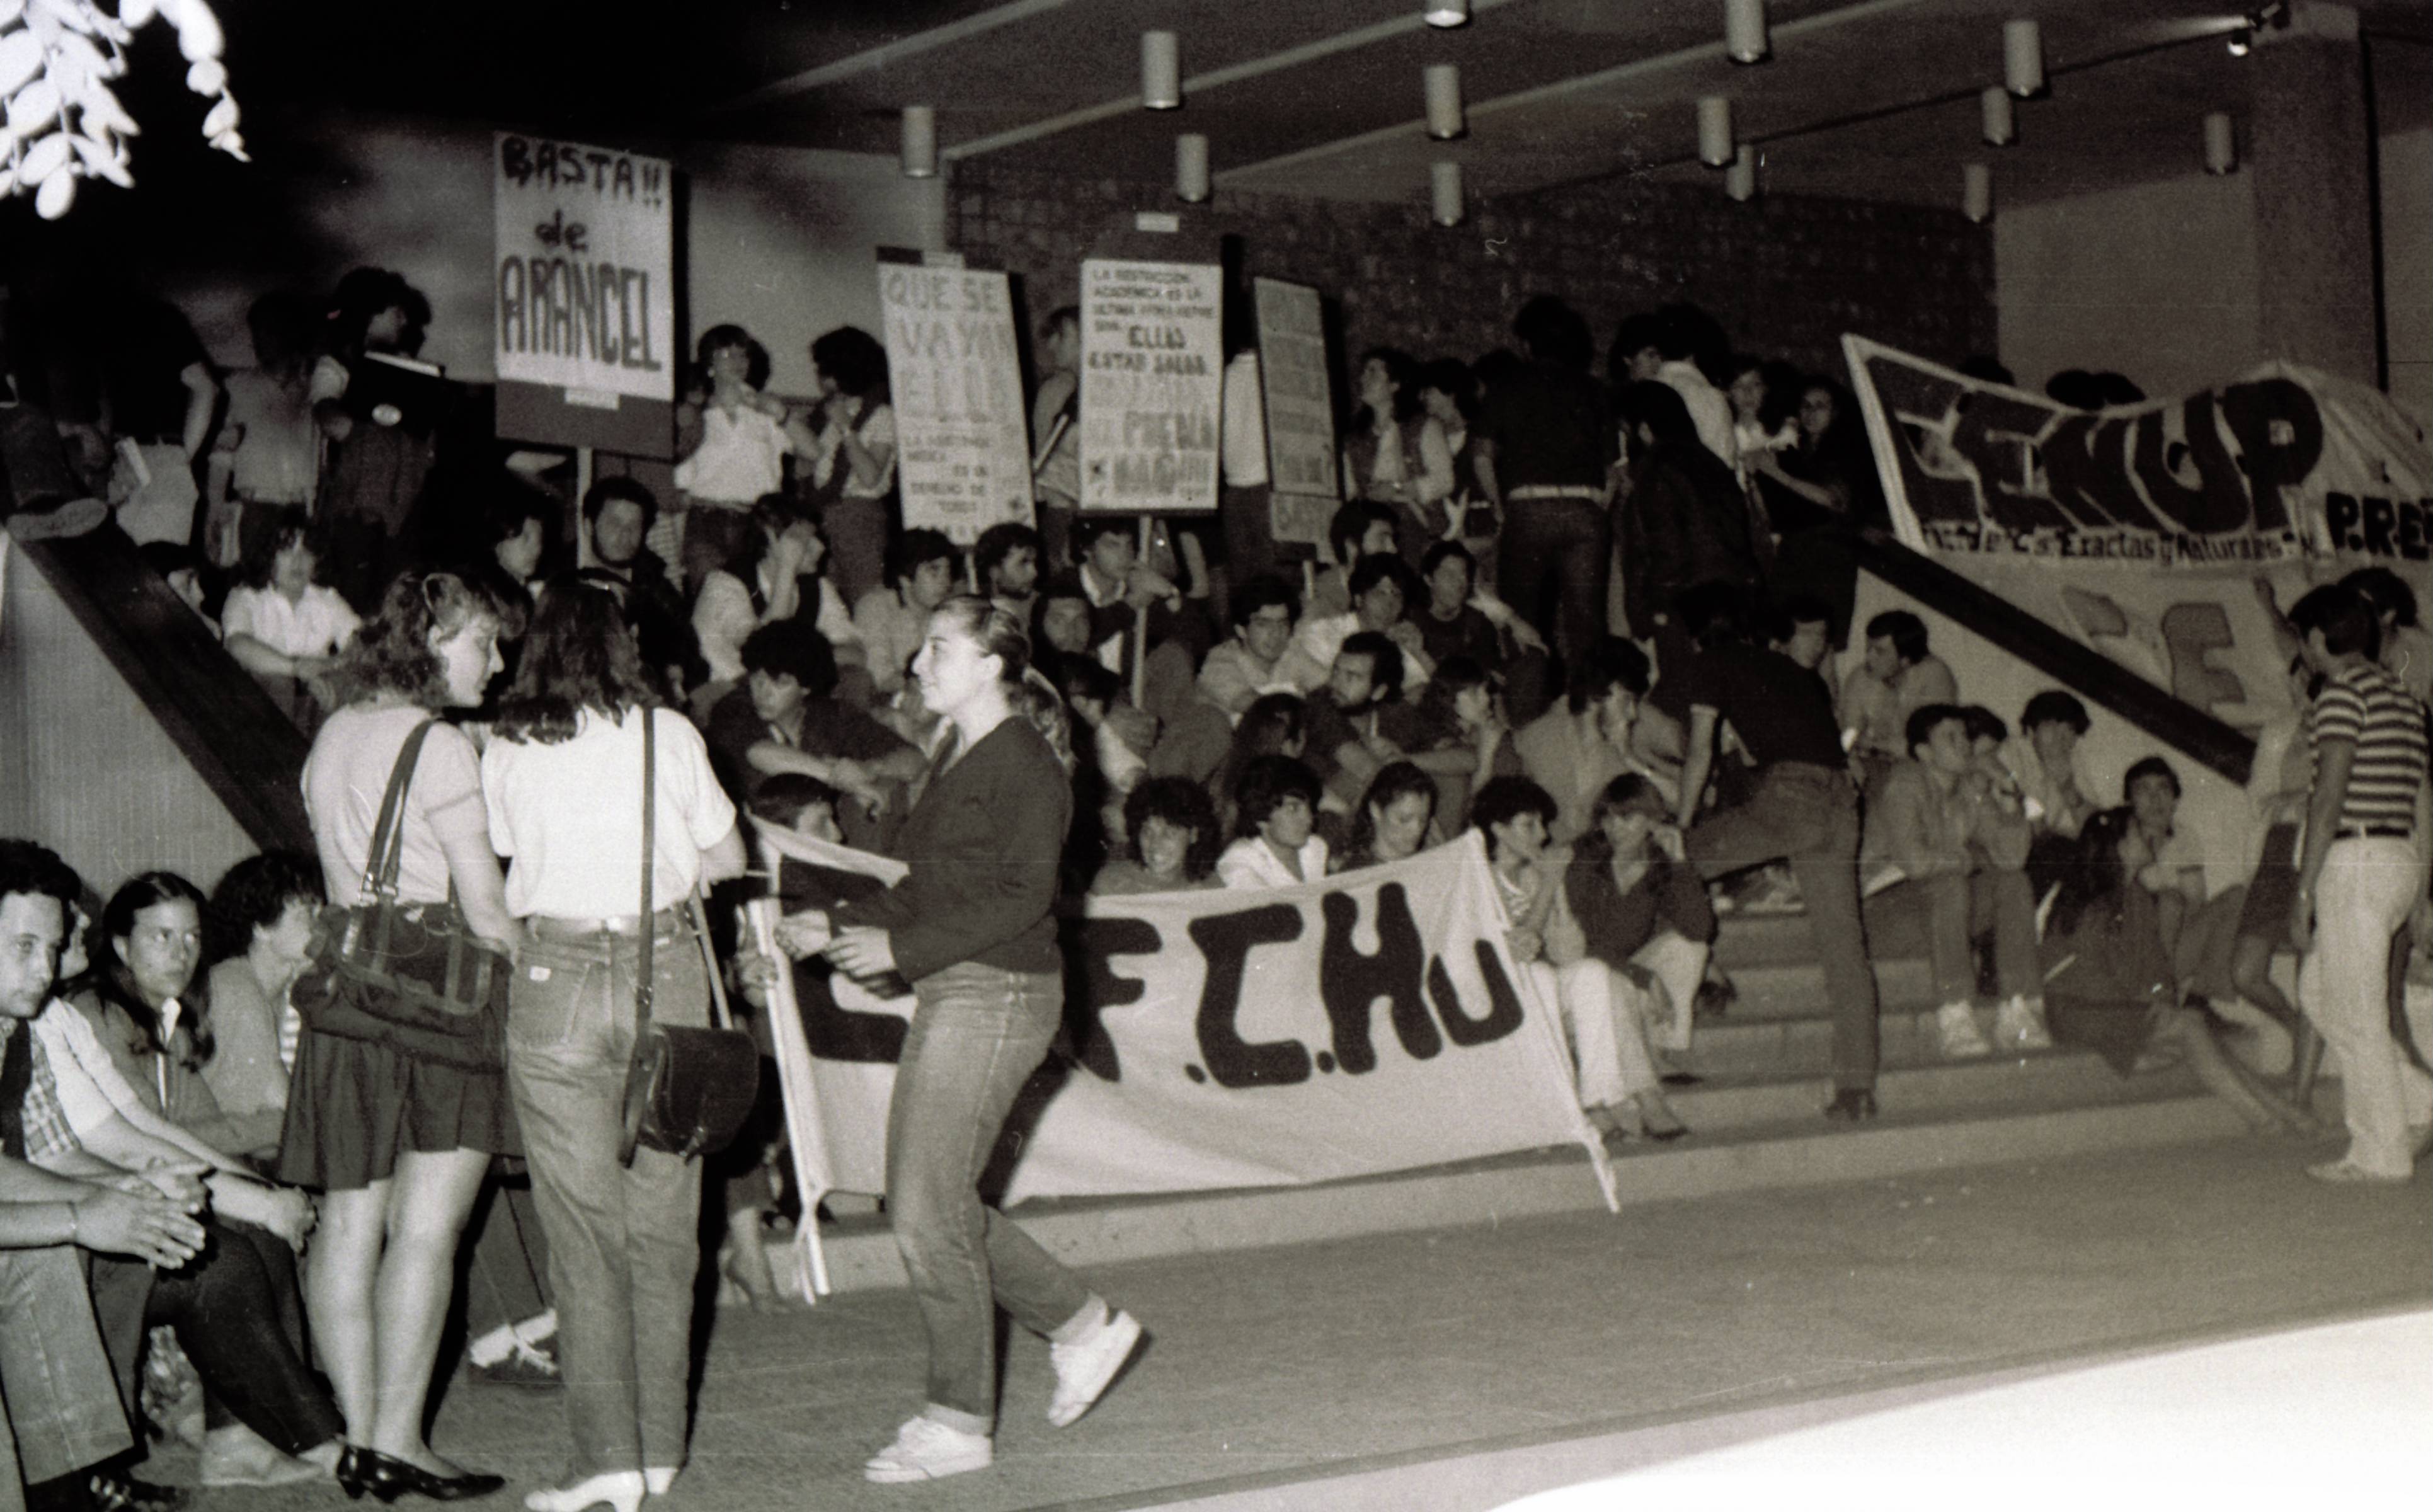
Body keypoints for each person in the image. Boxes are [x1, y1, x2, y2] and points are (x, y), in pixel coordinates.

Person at [772, 596, 1145, 1482]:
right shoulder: (960, 755)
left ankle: (960, 1418)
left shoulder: (1022, 761)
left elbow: (1021, 897)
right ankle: (1084, 1327)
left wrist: (897, 950)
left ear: (992, 666)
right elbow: (924, 886)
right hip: (964, 992)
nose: (919, 664)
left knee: (924, 1206)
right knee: (929, 1201)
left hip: (998, 995)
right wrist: (837, 922)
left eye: (939, 649)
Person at [481, 583, 748, 1511]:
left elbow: (509, 849)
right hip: (661, 971)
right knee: (666, 1231)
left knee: (582, 1238)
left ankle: (607, 1462)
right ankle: (663, 1448)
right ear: (625, 644)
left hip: (555, 979)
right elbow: (724, 860)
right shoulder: (667, 734)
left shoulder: (505, 742)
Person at [285, 567, 521, 1500]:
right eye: (484, 644)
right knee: (427, 1231)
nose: (496, 665)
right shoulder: (440, 746)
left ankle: (356, 1438)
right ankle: (398, 1441)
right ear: (431, 640)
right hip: (439, 1005)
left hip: (349, 998)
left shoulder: (332, 733)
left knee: (348, 1220)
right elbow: (489, 911)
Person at [0, 840, 215, 1512]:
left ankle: (72, 1486)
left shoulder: (13, 1027)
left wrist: (124, 1195)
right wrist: (81, 1214)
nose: (45, 969)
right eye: (23, 947)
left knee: (52, 1254)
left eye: (53, 947)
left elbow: (28, 1162)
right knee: (53, 1246)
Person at [1671, 589, 1884, 1121]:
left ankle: (1693, 985)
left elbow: (1701, 750)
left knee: (1664, 867)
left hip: (1793, 795)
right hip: (1840, 802)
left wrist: (1681, 825)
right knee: (1845, 948)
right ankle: (1857, 1089)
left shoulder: (1709, 661)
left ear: (1697, 636)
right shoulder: (1795, 672)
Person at [2041, 809, 2323, 1138]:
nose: (2147, 835)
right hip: (2081, 1012)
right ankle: (2266, 1119)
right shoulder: (2089, 905)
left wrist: (2159, 995)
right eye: (2136, 831)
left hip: (2122, 1007)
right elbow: (2084, 981)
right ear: (2117, 846)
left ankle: (2282, 1112)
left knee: (2195, 1027)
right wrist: (2145, 1006)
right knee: (2190, 1025)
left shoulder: (2136, 897)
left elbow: (2156, 962)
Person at [2286, 583, 2431, 1184]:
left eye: (2304, 639)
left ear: (2319, 640)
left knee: (2359, 1011)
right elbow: (2425, 799)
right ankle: (2421, 1099)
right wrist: (2421, 889)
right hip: (2397, 856)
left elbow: (2328, 798)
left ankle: (2379, 1153)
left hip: (2356, 861)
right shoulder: (2403, 697)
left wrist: (2303, 891)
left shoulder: (2341, 696)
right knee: (2321, 993)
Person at [1864, 706, 2049, 1058]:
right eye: (1951, 737)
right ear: (1924, 752)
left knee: (2013, 883)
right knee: (1950, 882)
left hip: (1940, 909)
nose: (1964, 745)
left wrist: (2009, 791)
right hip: (1882, 913)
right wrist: (1963, 860)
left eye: (1965, 735)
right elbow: (1916, 863)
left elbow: (2012, 858)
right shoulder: (1903, 784)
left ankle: (2016, 1006)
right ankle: (1954, 1012)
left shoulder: (1969, 790)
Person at [1472, 297, 1614, 665]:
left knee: (1522, 621)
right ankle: (1592, 711)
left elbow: (1482, 455)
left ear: (1527, 344)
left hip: (1529, 508)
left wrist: (1499, 508)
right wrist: (1599, 507)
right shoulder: (1594, 389)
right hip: (1585, 510)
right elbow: (1616, 466)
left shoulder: (1507, 386)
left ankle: (1527, 712)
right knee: (1588, 627)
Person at [704, 619, 924, 849]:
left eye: (780, 683)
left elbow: (914, 759)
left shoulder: (832, 714)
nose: (763, 693)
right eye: (757, 680)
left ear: (806, 687)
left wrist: (870, 770)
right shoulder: (734, 706)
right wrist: (842, 778)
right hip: (755, 843)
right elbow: (761, 753)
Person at [1561, 774, 1715, 1090]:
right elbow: (1579, 946)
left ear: (1652, 821)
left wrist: (1680, 862)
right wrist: (1644, 978)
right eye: (1608, 818)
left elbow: (1700, 930)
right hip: (1584, 967)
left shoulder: (1660, 865)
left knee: (1690, 950)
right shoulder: (1585, 858)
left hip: (1624, 966)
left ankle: (1659, 1051)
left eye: (1627, 818)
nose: (1615, 829)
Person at [1614, 381, 1763, 654]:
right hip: (1730, 600)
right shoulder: (1711, 462)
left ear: (1645, 429)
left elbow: (1663, 548)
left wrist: (1650, 614)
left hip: (1684, 607)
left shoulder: (1656, 468)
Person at [197, 852, 324, 1162]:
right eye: (307, 914)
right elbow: (290, 1116)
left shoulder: (284, 992)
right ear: (262, 928)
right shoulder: (235, 987)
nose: (323, 926)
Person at [671, 324, 798, 594]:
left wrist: (781, 414)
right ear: (709, 364)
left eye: (743, 355)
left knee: (754, 604)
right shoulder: (695, 415)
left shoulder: (765, 413)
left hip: (757, 523)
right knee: (710, 606)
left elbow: (813, 452)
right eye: (727, 354)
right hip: (707, 522)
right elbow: (678, 484)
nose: (737, 362)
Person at [219, 507, 362, 731]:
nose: (298, 561)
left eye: (306, 551)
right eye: (287, 550)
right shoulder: (246, 596)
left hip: (317, 704)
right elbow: (237, 645)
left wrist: (327, 667)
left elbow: (363, 644)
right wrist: (297, 670)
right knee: (278, 684)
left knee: (344, 683)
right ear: (269, 557)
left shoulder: (328, 600)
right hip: (259, 708)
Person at [1514, 637, 1662, 845]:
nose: (1632, 714)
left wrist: (1632, 760)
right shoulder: (1536, 737)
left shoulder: (1629, 744)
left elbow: (1680, 802)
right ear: (1598, 693)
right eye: (1627, 700)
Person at [692, 496, 838, 704]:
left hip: (784, 693)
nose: (820, 547)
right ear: (772, 540)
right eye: (805, 540)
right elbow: (761, 653)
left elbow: (852, 646)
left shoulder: (814, 585)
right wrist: (787, 567)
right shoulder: (723, 585)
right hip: (728, 692)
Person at [212, 291, 319, 571]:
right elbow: (221, 456)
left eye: (270, 331)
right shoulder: (239, 386)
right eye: (256, 332)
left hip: (300, 511)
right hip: (254, 509)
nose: (259, 341)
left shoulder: (316, 390)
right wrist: (214, 507)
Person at [574, 476, 704, 701]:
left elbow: (689, 654)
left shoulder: (655, 586)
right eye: (615, 524)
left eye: (634, 525)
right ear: (588, 526)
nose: (625, 535)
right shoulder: (566, 583)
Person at [803, 326, 898, 607]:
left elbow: (870, 476)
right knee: (825, 605)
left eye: (824, 369)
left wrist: (846, 427)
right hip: (822, 516)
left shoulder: (881, 415)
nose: (819, 377)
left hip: (860, 517)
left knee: (866, 602)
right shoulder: (822, 414)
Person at [1341, 346, 1455, 567]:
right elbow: (1350, 490)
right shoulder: (1355, 439)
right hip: (1372, 532)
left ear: (1395, 385)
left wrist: (1395, 490)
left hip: (1415, 530)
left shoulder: (1424, 427)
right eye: (1364, 372)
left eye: (1373, 372)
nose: (1363, 378)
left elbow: (1444, 481)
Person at [1840, 610, 1958, 794]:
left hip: (1915, 776)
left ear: (1905, 660)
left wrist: (1875, 745)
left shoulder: (1934, 677)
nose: (1869, 658)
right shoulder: (1860, 677)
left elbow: (1928, 748)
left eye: (1879, 652)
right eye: (1868, 648)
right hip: (1867, 768)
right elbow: (1848, 734)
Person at [2005, 689, 2099, 898]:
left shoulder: (2072, 761)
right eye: (2052, 728)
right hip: (2007, 848)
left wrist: (2068, 788)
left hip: (2039, 854)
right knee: (2059, 850)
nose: (2061, 739)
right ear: (2031, 731)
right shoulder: (2013, 751)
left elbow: (2095, 831)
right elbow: (2012, 801)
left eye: (2069, 732)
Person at [855, 528, 960, 699]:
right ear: (904, 578)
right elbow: (881, 678)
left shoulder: (944, 611)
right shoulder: (875, 607)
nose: (945, 581)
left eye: (948, 572)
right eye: (934, 571)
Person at [1198, 575, 1322, 720]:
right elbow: (1257, 707)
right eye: (1264, 624)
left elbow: (1328, 688)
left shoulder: (1291, 652)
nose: (1276, 634)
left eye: (1282, 623)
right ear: (1241, 630)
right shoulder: (1219, 664)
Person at [1091, 777, 1222, 895]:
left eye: (1169, 834)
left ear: (1194, 835)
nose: (1155, 843)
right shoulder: (1112, 884)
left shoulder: (1211, 888)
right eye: (1147, 832)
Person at [1219, 755, 1329, 887]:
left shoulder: (1315, 847)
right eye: (1293, 808)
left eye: (1309, 807)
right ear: (1260, 816)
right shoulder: (1240, 862)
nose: (1308, 819)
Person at [1028, 306, 1083, 570]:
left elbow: (1045, 458)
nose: (1051, 345)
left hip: (1069, 510)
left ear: (1075, 333)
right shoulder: (1070, 391)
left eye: (1058, 335)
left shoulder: (1061, 390)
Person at [1336, 762, 1438, 872]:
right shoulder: (1357, 874)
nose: (1417, 830)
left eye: (1423, 820)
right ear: (1376, 811)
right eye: (1404, 819)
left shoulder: (1431, 859)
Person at [975, 521, 1044, 623]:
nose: (1034, 573)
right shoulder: (981, 620)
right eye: (1023, 563)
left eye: (1034, 563)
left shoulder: (1043, 609)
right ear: (994, 571)